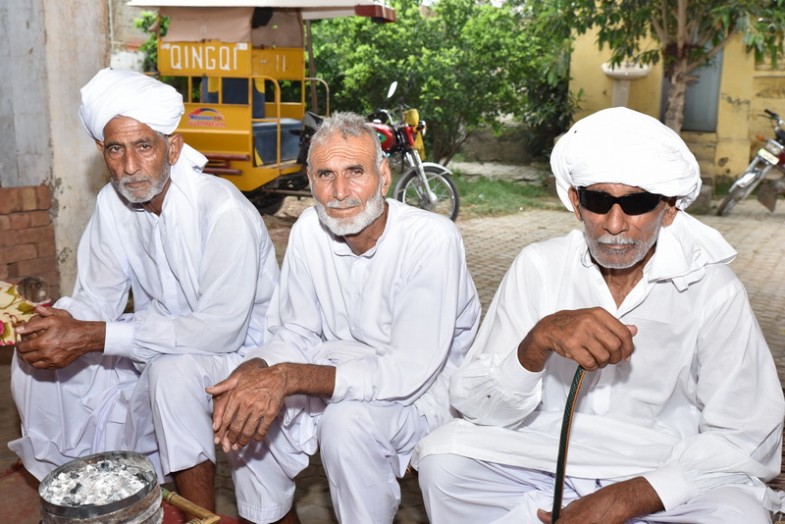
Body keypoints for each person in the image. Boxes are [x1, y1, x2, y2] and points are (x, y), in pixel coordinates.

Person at [414, 107, 785, 523]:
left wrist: (626, 498)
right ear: (575, 202)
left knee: (738, 516)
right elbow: (479, 409)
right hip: (541, 452)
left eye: (637, 203)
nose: (613, 224)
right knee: (444, 461)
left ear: (670, 209)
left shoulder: (713, 289)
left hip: (662, 464)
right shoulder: (539, 265)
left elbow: (748, 433)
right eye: (597, 200)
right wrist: (536, 343)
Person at [11, 68, 280, 514]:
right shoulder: (111, 205)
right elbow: (97, 297)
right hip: (154, 342)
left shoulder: (222, 208)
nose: (130, 167)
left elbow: (220, 331)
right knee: (36, 362)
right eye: (116, 149)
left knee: (172, 375)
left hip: (245, 353)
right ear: (102, 151)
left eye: (144, 147)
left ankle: (197, 516)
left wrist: (96, 336)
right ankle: (98, 498)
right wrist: (52, 325)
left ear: (172, 147)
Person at [208, 111, 481, 523]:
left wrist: (288, 377)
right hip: (336, 370)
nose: (339, 191)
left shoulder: (432, 239)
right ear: (310, 180)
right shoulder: (308, 230)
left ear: (384, 177)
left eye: (355, 171)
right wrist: (258, 368)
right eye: (325, 174)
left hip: (425, 392)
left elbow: (407, 371)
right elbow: (295, 329)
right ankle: (269, 517)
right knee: (246, 403)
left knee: (345, 422)